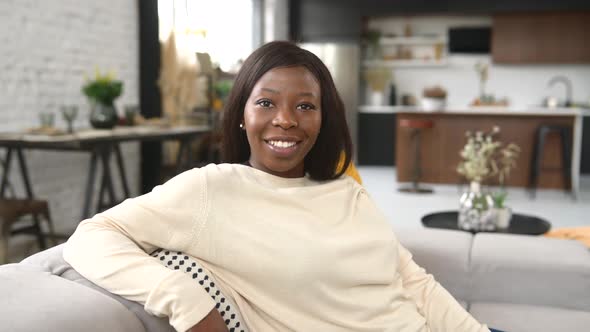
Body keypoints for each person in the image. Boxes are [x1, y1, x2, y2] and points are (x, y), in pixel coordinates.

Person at [64, 41, 489, 332]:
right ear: (242, 114)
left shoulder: (344, 190)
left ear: (323, 119)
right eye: (266, 102)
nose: (286, 119)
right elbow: (92, 236)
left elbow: (413, 282)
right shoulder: (211, 190)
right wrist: (185, 299)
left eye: (305, 106)